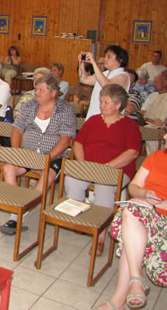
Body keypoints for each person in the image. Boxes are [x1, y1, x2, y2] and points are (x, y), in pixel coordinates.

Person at [66, 84, 141, 255]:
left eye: (106, 102)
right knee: (72, 179)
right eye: (101, 101)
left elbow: (132, 153)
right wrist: (83, 162)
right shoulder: (93, 120)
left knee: (104, 187)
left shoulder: (129, 126)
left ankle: (99, 236)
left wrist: (107, 167)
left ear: (118, 105)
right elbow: (78, 142)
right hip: (89, 165)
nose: (102, 105)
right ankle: (80, 219)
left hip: (116, 169)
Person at [0, 76, 76, 235]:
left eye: (41, 90)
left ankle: (18, 214)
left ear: (53, 92)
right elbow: (17, 130)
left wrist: (45, 160)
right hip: (29, 153)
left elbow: (65, 140)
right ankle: (18, 211)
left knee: (46, 175)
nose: (37, 93)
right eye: (36, 90)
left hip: (54, 157)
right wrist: (16, 153)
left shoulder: (65, 110)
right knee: (8, 169)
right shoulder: (29, 105)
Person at [99, 140, 167, 310]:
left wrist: (156, 204)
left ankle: (118, 300)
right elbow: (134, 186)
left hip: (161, 215)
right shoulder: (155, 157)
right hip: (148, 212)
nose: (165, 136)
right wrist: (144, 193)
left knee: (130, 228)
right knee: (131, 212)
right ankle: (136, 281)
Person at [79, 45, 130, 120]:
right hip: (94, 115)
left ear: (120, 60)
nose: (105, 59)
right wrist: (81, 62)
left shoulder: (123, 76)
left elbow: (107, 86)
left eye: (109, 57)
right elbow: (84, 79)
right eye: (105, 56)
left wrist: (93, 62)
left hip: (110, 119)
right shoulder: (104, 74)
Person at [141, 70, 167, 154]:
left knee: (149, 130)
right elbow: (147, 117)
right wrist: (154, 122)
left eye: (156, 82)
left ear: (165, 83)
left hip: (163, 129)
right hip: (154, 127)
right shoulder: (155, 97)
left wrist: (163, 124)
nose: (154, 84)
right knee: (144, 129)